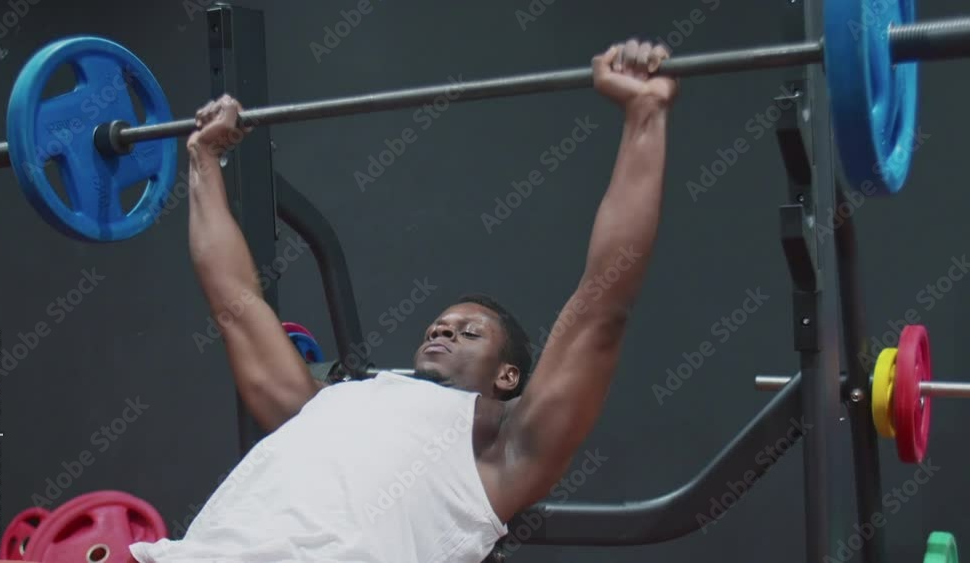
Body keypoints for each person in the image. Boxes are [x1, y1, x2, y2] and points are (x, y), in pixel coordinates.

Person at [129, 38, 678, 563]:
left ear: (508, 377)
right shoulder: (321, 402)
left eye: (469, 332)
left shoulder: (505, 452)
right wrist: (203, 157)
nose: (442, 331)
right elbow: (235, 301)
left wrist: (644, 115)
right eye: (439, 326)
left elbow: (602, 307)